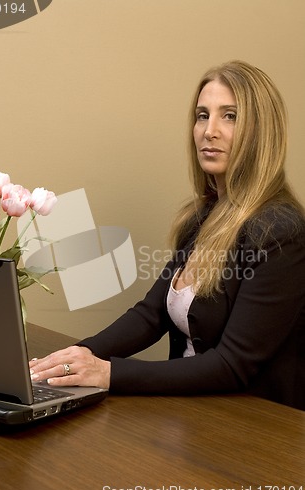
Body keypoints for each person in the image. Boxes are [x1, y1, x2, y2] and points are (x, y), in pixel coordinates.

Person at [30, 60, 305, 410]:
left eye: (230, 116)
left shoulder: (281, 231)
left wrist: (108, 373)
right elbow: (151, 314)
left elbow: (233, 365)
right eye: (202, 115)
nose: (210, 130)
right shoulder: (203, 217)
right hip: (190, 412)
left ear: (261, 132)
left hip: (251, 428)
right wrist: (74, 358)